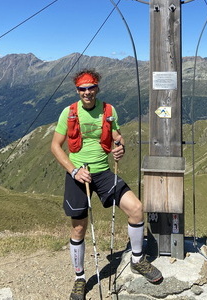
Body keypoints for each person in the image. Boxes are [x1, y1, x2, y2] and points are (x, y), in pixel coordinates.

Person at [51, 69, 163, 300]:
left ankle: (137, 260)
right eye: (82, 88)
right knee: (78, 228)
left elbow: (117, 135)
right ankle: (80, 278)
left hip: (102, 172)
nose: (87, 92)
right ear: (77, 91)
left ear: (97, 88)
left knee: (136, 208)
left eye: (91, 87)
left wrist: (120, 146)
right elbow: (55, 146)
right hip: (78, 174)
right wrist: (74, 171)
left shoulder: (109, 110)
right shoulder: (68, 112)